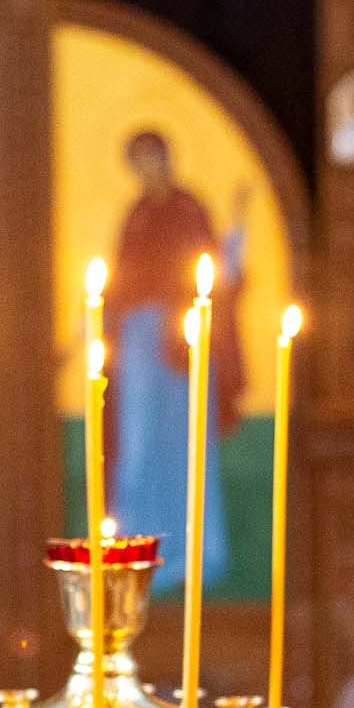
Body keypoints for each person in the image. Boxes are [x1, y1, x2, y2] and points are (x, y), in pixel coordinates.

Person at [101, 130, 243, 594]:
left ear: (166, 158)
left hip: (184, 341)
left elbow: (214, 270)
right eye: (137, 162)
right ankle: (138, 551)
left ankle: (196, 553)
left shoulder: (188, 210)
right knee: (138, 447)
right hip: (139, 342)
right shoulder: (137, 216)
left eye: (151, 159)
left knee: (187, 446)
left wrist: (236, 240)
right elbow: (119, 280)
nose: (146, 169)